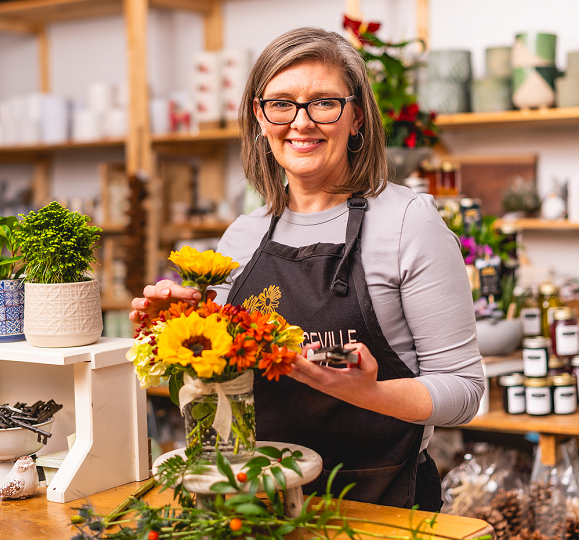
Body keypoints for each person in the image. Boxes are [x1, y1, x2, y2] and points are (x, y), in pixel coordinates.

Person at [130, 27, 484, 510]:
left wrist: (370, 392)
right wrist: (176, 339)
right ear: (259, 115)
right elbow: (218, 392)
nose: (301, 122)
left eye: (323, 103)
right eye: (281, 103)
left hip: (377, 505)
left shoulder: (407, 222)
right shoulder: (242, 236)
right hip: (256, 502)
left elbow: (464, 392)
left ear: (356, 116)